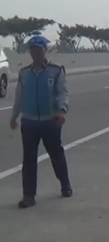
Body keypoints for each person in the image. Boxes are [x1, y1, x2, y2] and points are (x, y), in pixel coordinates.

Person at [9, 35, 72, 209]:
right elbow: (19, 96)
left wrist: (62, 111)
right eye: (32, 49)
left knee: (56, 155)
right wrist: (14, 115)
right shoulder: (24, 73)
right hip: (29, 122)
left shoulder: (56, 70)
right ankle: (28, 195)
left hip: (50, 121)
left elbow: (62, 93)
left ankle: (65, 185)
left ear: (45, 50)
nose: (35, 52)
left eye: (39, 49)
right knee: (29, 160)